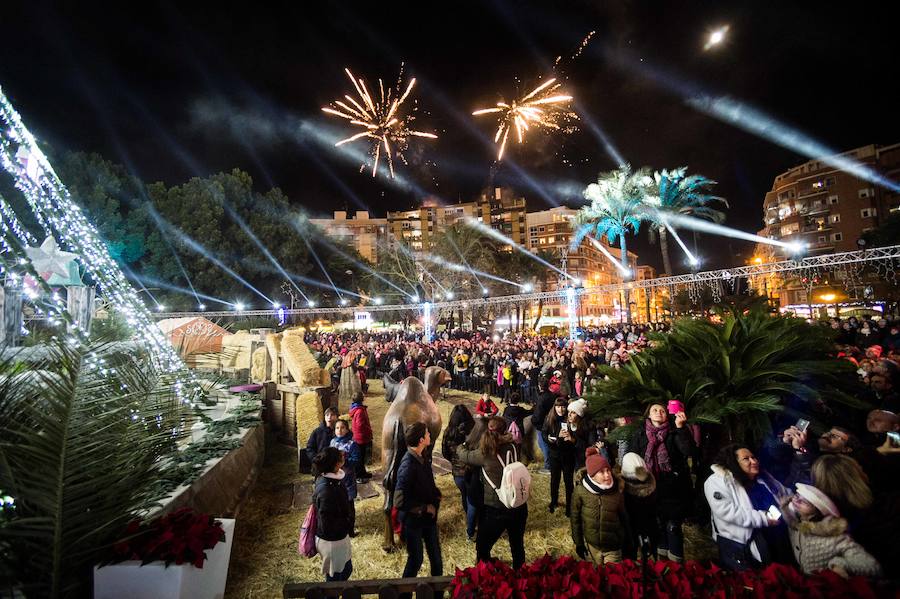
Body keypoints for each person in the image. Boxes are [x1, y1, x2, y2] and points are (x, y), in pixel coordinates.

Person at [458, 416, 529, 568]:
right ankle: (520, 574)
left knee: (482, 546)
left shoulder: (485, 453)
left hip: (496, 508)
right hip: (518, 504)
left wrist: (463, 444)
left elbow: (464, 455)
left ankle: (485, 574)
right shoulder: (514, 446)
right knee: (517, 545)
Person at [630, 403, 695, 563]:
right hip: (650, 489)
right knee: (657, 525)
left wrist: (681, 428)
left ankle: (677, 565)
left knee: (673, 527)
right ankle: (662, 563)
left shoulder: (674, 433)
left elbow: (689, 451)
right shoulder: (640, 435)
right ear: (648, 415)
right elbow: (632, 458)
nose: (659, 412)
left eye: (662, 410)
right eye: (654, 410)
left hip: (672, 489)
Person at [704, 444, 781, 571]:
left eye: (754, 457)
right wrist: (763, 518)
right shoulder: (717, 482)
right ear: (734, 462)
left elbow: (782, 495)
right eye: (746, 459)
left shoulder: (762, 478)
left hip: (772, 538)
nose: (754, 461)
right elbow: (727, 511)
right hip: (741, 546)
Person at [781, 483, 881, 578]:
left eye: (805, 502)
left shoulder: (836, 538)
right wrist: (785, 508)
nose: (797, 501)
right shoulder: (800, 525)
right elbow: (793, 523)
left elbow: (872, 566)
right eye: (797, 495)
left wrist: (839, 564)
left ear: (817, 512)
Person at [394, 422, 443, 582]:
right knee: (416, 560)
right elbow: (399, 500)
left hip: (428, 521)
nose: (430, 436)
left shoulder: (423, 456)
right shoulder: (408, 465)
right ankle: (404, 594)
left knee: (436, 560)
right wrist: (424, 507)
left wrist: (435, 493)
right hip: (414, 522)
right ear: (421, 439)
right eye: (428, 434)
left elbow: (425, 482)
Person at [570, 448, 628, 565]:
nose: (607, 475)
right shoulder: (580, 491)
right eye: (601, 472)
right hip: (592, 546)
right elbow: (575, 518)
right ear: (592, 475)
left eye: (608, 470)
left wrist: (629, 542)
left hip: (613, 546)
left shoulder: (617, 491)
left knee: (614, 579)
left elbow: (624, 518)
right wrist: (579, 543)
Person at [312, 447, 353, 584]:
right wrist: (345, 524)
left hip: (340, 537)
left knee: (346, 570)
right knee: (334, 581)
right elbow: (327, 523)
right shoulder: (327, 489)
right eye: (340, 455)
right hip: (331, 541)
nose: (343, 456)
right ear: (336, 464)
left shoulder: (333, 480)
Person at [441, 404, 477, 541]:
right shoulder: (473, 430)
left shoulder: (448, 432)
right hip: (471, 470)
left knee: (465, 496)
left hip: (457, 474)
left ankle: (471, 521)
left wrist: (454, 462)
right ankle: (471, 530)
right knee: (472, 500)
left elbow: (445, 452)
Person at [620, 452, 658, 560]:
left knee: (629, 557)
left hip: (630, 532)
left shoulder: (623, 492)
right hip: (649, 529)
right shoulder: (652, 486)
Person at [543, 398, 577, 516]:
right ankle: (554, 502)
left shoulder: (570, 419)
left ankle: (569, 507)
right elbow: (544, 434)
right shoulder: (549, 419)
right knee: (554, 481)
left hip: (568, 456)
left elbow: (576, 437)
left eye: (563, 407)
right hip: (554, 455)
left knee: (568, 482)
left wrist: (571, 437)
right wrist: (552, 438)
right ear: (554, 407)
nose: (560, 409)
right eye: (558, 406)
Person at [329, 420, 360, 535]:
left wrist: (344, 460)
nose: (339, 430)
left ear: (347, 429)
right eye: (337, 428)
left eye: (342, 428)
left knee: (349, 505)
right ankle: (340, 526)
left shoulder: (352, 444)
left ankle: (350, 529)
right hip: (335, 479)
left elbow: (356, 460)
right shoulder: (332, 442)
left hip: (348, 480)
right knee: (337, 504)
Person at [532, 377, 555, 472]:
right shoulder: (553, 395)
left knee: (543, 444)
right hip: (551, 422)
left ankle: (548, 466)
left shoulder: (542, 398)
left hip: (542, 425)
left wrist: (534, 420)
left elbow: (538, 414)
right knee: (547, 443)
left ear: (540, 386)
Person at [348, 392, 373, 482]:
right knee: (360, 457)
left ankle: (363, 472)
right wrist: (369, 430)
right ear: (362, 399)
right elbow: (360, 425)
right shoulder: (360, 411)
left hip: (359, 436)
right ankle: (358, 476)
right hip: (361, 438)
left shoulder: (356, 408)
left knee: (362, 457)